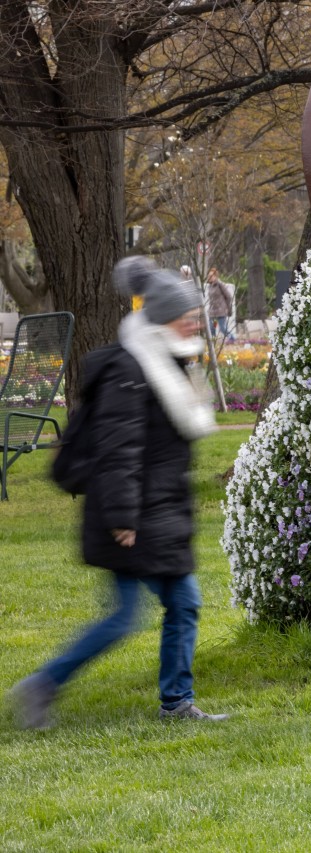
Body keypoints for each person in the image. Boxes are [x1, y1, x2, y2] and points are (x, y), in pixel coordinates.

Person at [7, 257, 226, 729]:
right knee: (126, 617)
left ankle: (177, 703)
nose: (194, 320)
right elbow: (118, 450)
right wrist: (123, 517)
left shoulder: (169, 362)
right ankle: (43, 684)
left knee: (183, 603)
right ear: (163, 316)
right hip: (130, 517)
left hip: (159, 514)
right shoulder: (134, 369)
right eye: (185, 312)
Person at [205, 266, 235, 341]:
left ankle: (232, 338)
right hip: (213, 313)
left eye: (212, 276)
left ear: (215, 276)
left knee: (222, 328)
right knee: (212, 327)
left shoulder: (220, 284)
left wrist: (228, 309)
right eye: (209, 276)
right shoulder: (210, 286)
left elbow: (228, 296)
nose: (210, 277)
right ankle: (213, 342)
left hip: (221, 312)